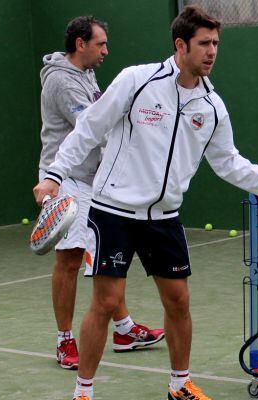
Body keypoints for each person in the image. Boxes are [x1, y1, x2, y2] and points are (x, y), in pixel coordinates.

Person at [33, 6, 258, 400]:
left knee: (179, 301)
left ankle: (179, 385)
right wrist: (53, 175)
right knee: (107, 302)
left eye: (216, 43)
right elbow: (89, 127)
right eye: (204, 43)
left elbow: (229, 163)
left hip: (164, 217)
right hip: (112, 211)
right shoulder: (136, 80)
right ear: (181, 45)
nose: (212, 51)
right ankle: (83, 391)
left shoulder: (212, 106)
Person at [38, 15, 164, 370]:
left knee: (106, 257)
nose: (106, 50)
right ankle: (64, 340)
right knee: (70, 259)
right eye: (100, 44)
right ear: (81, 44)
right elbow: (92, 127)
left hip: (95, 178)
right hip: (67, 179)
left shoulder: (86, 73)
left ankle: (123, 330)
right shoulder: (63, 84)